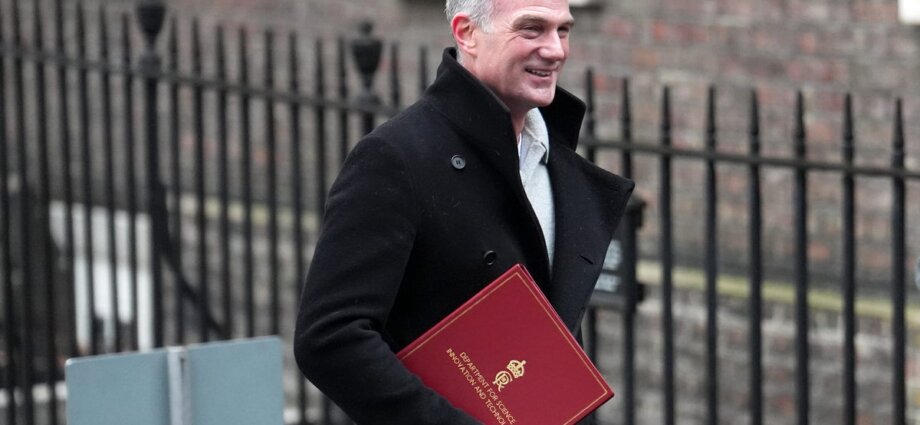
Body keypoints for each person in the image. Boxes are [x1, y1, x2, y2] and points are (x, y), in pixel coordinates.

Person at [294, 0, 634, 423]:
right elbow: (329, 337)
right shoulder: (396, 156)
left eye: (563, 30)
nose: (556, 50)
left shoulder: (553, 159)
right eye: (532, 29)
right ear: (467, 33)